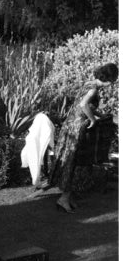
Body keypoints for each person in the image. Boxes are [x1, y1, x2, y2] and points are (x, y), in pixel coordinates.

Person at [47, 63, 119, 212]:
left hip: (70, 125)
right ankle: (63, 199)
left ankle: (67, 196)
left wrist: (99, 115)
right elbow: (82, 105)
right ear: (109, 79)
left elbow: (87, 106)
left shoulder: (89, 84)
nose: (112, 84)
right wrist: (93, 120)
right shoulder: (93, 90)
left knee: (71, 161)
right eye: (113, 80)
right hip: (77, 127)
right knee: (72, 162)